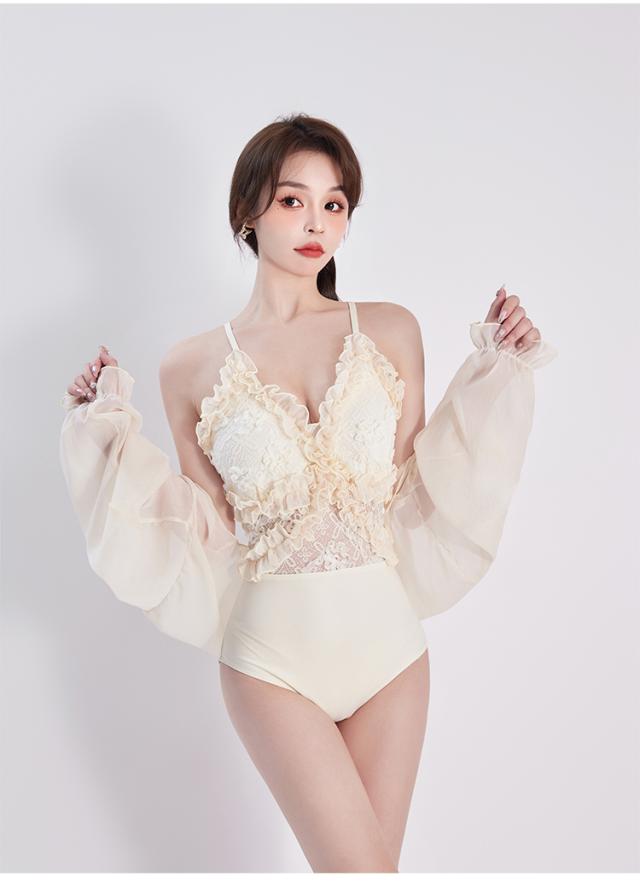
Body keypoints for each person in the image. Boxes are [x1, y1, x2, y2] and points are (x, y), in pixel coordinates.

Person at [59, 113, 558, 873]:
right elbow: (207, 526)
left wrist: (499, 367)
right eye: (293, 200)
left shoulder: (391, 329)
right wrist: (105, 435)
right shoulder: (187, 366)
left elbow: (414, 484)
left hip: (392, 655)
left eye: (335, 204)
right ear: (248, 211)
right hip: (271, 661)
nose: (317, 222)